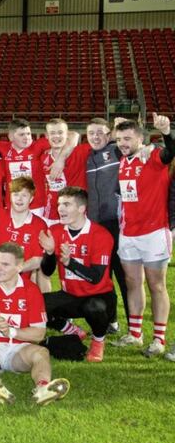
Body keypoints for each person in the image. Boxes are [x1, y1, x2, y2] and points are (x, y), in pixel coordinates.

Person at [0, 242, 70, 406]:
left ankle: (43, 389)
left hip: (18, 349)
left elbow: (39, 333)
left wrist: (12, 332)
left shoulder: (32, 290)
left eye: (5, 264)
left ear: (20, 266)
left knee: (41, 352)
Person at [111, 115, 174, 358]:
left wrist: (167, 133)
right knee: (132, 283)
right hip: (128, 234)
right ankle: (135, 335)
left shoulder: (153, 156)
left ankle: (158, 338)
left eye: (128, 138)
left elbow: (171, 151)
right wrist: (122, 124)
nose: (122, 143)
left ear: (141, 138)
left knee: (157, 285)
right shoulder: (123, 160)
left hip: (154, 232)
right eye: (119, 139)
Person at [38, 187, 116, 363]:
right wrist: (49, 253)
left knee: (94, 307)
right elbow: (47, 271)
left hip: (99, 296)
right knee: (34, 304)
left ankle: (98, 342)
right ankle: (72, 330)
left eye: (67, 204)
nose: (60, 209)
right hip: (70, 295)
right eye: (59, 204)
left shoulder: (100, 235)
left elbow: (96, 277)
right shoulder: (56, 231)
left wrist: (69, 263)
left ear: (81, 209)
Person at [85, 117, 127, 332]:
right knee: (103, 276)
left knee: (123, 275)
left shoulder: (117, 151)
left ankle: (133, 327)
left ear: (109, 135)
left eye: (100, 132)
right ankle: (111, 321)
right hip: (95, 226)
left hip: (116, 223)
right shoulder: (87, 157)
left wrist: (125, 124)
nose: (96, 137)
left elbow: (136, 143)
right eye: (91, 133)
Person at [40, 118, 88, 225]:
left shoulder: (81, 152)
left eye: (60, 132)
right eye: (52, 133)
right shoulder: (43, 157)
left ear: (67, 134)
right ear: (46, 136)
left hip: (76, 214)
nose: (56, 136)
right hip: (51, 214)